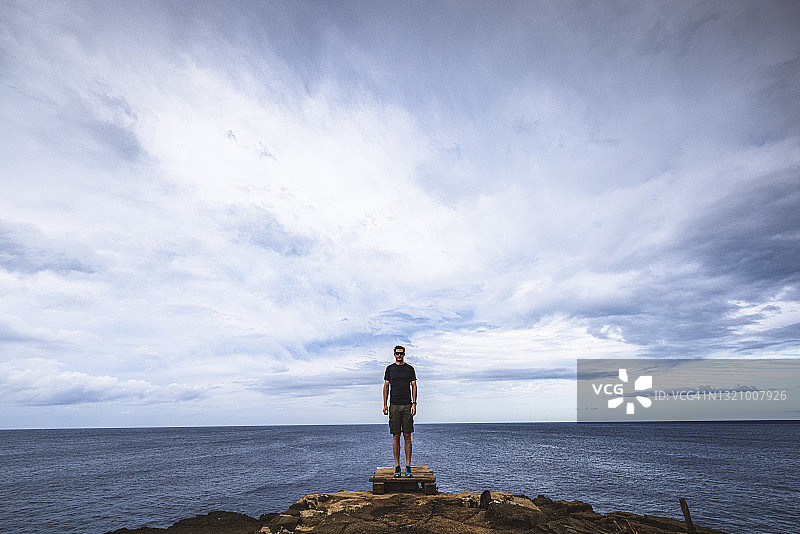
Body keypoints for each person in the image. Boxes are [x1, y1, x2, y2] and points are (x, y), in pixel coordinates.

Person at [383, 345, 417, 477]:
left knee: (407, 436)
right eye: (397, 353)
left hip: (407, 405)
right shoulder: (389, 369)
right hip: (394, 406)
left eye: (401, 353)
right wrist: (385, 404)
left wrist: (414, 404)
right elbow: (386, 386)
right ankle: (397, 466)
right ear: (394, 354)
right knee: (395, 436)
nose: (399, 355)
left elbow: (414, 386)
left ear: (404, 354)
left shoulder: (409, 369)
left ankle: (408, 466)